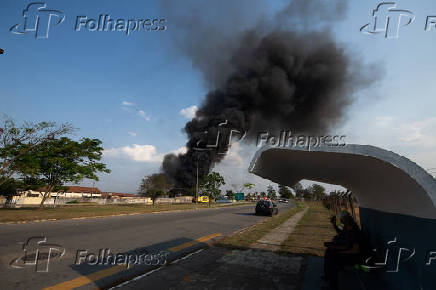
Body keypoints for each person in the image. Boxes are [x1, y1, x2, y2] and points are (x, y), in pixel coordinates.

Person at [323, 211, 363, 289]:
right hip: (349, 251)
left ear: (345, 220)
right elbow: (345, 240)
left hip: (354, 257)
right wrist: (336, 248)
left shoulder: (354, 232)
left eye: (341, 219)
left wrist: (340, 251)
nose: (341, 221)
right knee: (329, 253)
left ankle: (333, 287)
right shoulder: (348, 227)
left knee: (333, 260)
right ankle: (328, 277)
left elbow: (355, 250)